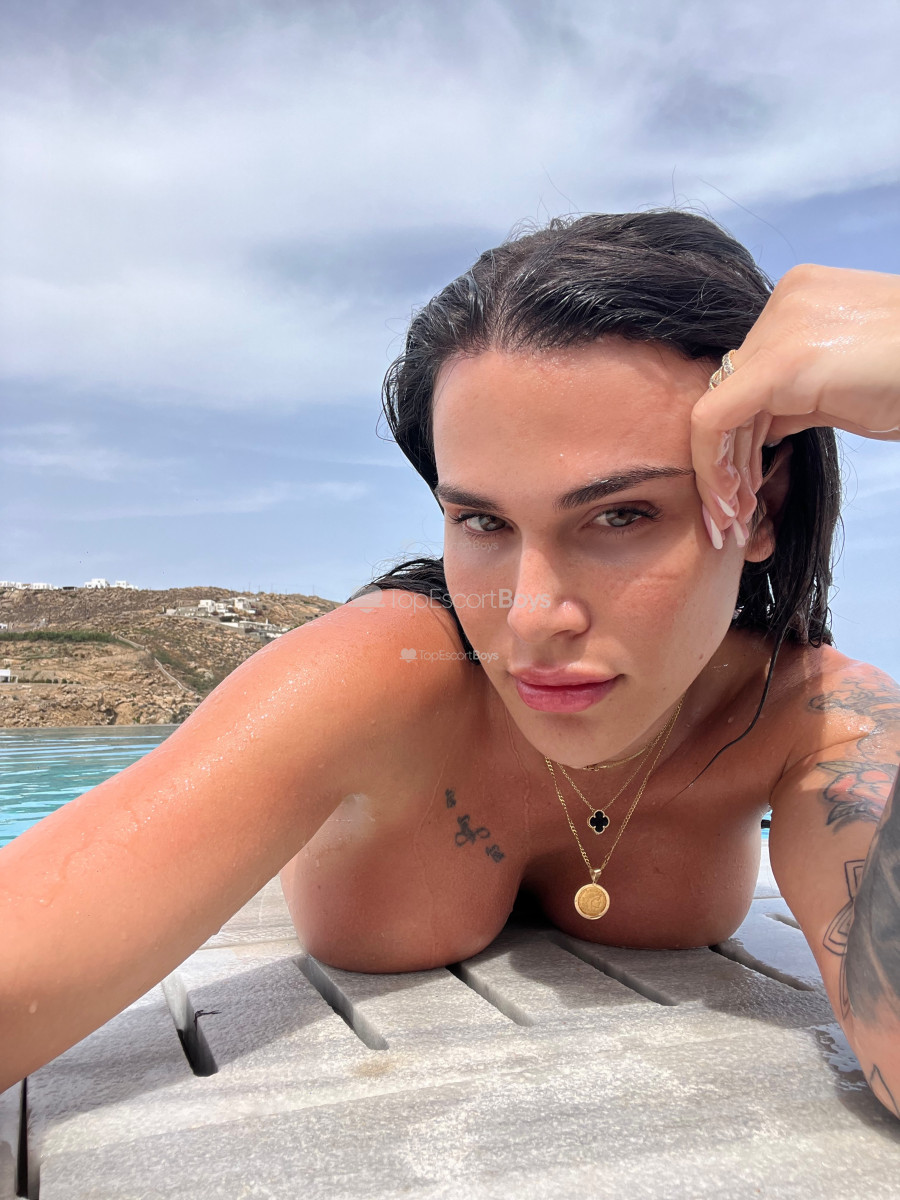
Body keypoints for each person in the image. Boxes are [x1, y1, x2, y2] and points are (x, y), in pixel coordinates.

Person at [2, 211, 899, 1117]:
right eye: (482, 521)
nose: (531, 618)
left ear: (761, 508)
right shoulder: (372, 676)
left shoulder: (815, 719)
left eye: (622, 515)